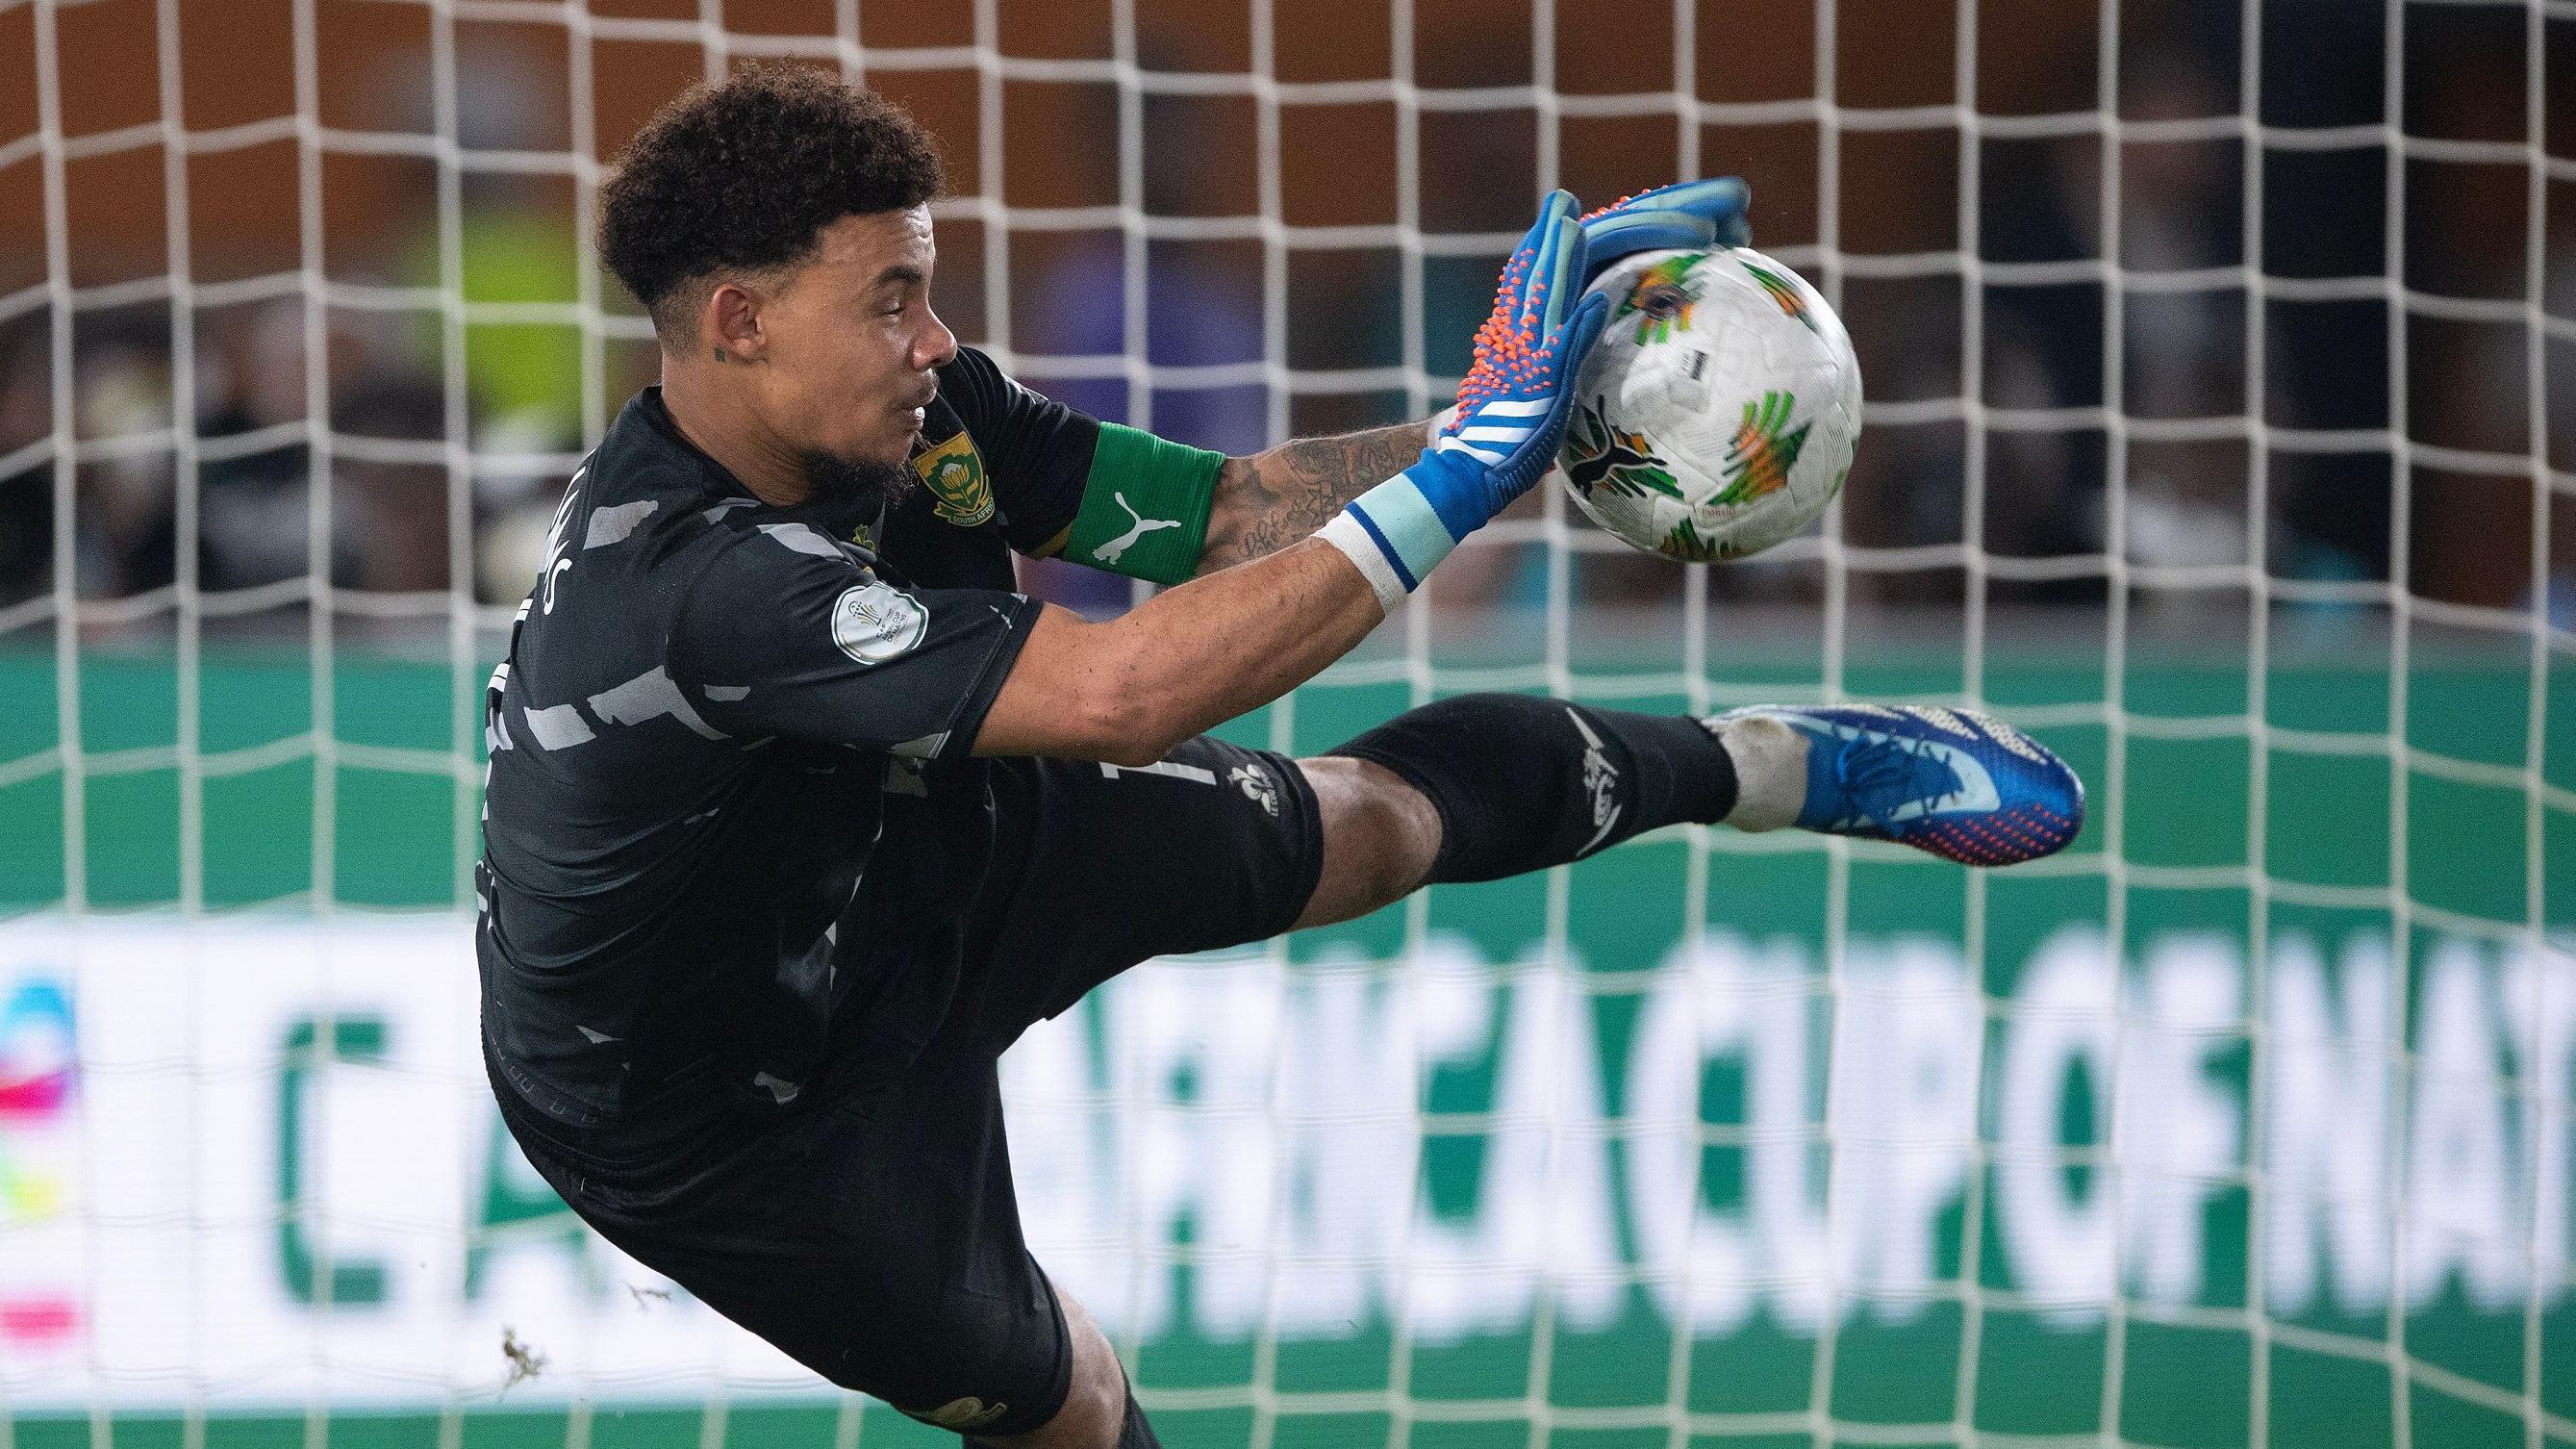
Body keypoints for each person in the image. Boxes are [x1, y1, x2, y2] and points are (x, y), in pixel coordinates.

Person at [475, 66, 2084, 1449]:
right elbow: (1116, 698)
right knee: (1076, 1403)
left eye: (928, 286)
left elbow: (1217, 515)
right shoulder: (684, 588)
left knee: (1365, 825)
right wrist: (1459, 474)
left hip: (921, 835)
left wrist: (1518, 420)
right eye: (890, 299)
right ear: (740, 323)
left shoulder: (918, 406)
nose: (934, 336)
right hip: (729, 1126)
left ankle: (1786, 765)